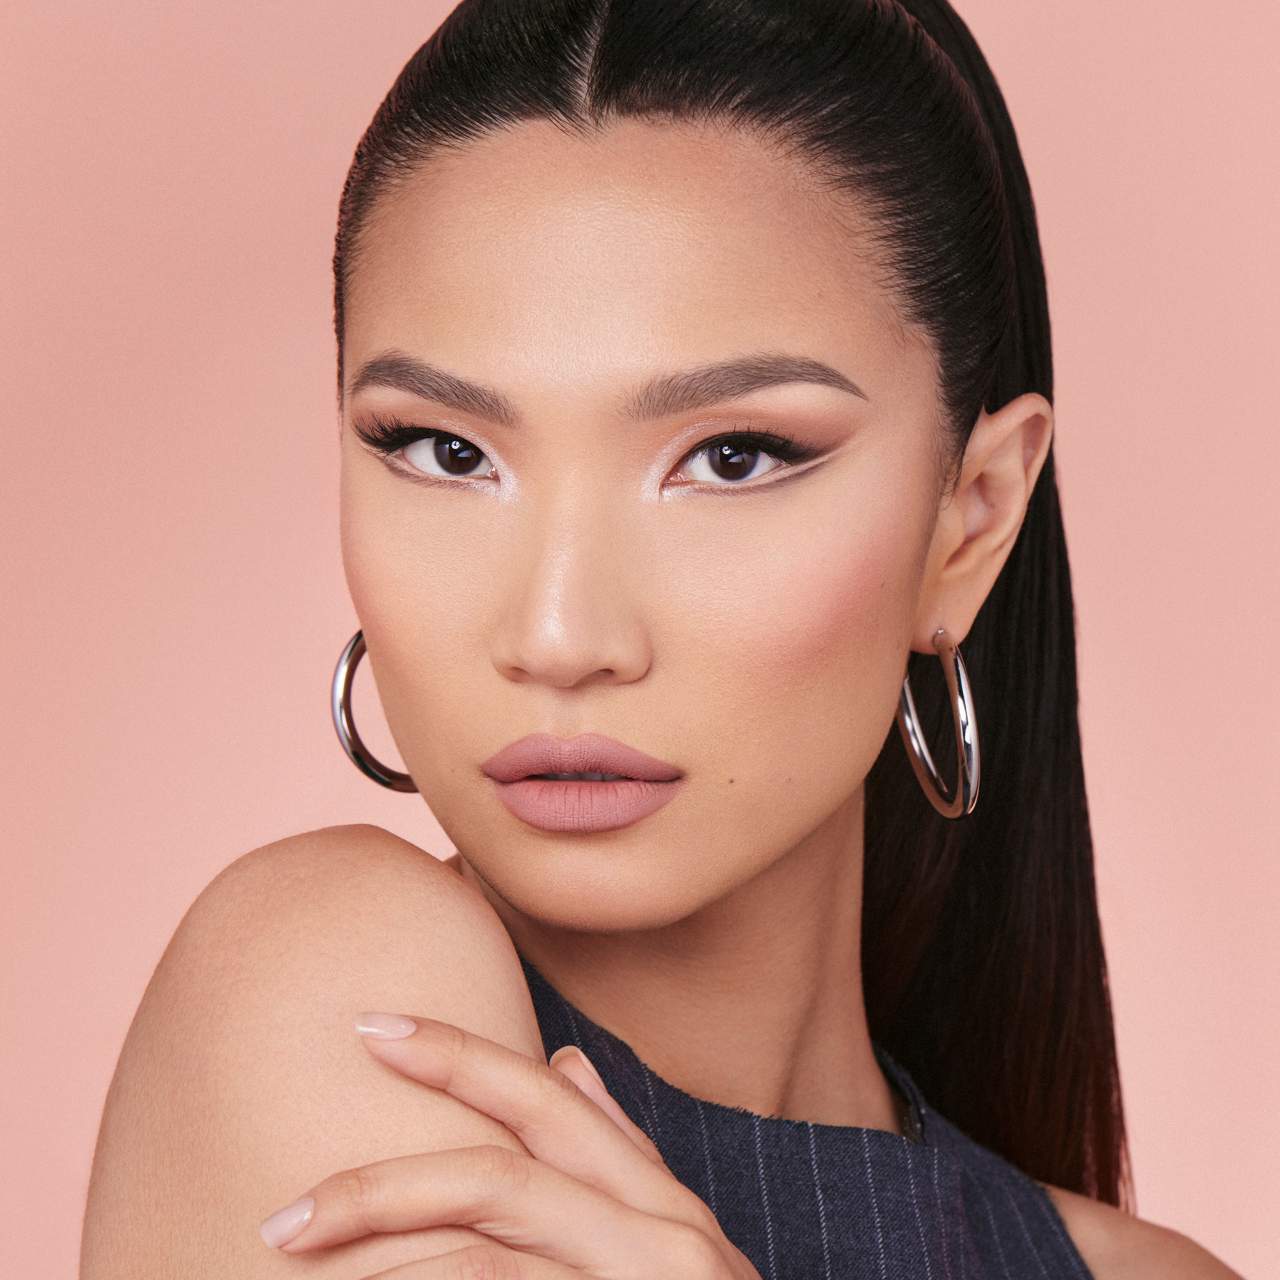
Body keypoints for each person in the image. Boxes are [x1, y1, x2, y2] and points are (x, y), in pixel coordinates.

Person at [80, 1, 1239, 1275]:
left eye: (731, 456)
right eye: (445, 450)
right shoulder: (335, 986)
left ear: (967, 522)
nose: (558, 634)